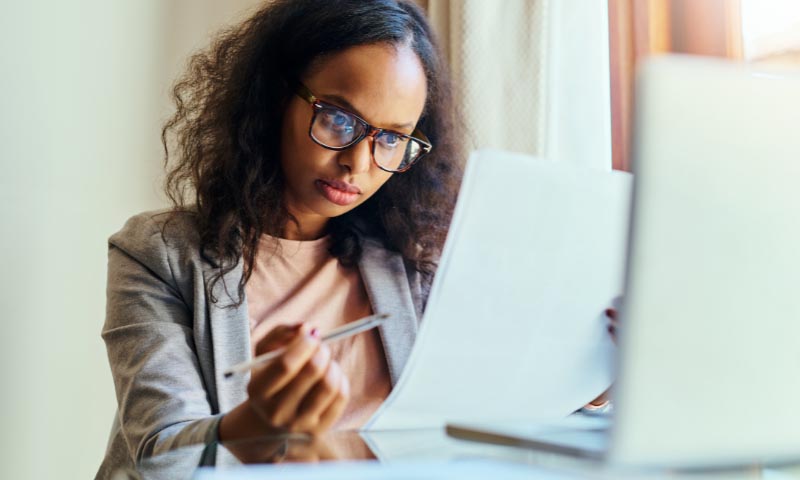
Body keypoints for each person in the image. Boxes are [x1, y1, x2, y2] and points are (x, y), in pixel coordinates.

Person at [97, 0, 463, 476]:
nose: (359, 162)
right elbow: (164, 457)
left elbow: (477, 429)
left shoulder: (414, 264)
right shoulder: (159, 254)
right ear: (274, 98)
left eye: (392, 138)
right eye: (339, 119)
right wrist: (254, 429)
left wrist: (591, 390)